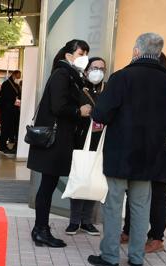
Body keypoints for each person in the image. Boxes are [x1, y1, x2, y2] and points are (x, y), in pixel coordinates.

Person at [88, 33, 166, 266]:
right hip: (151, 155)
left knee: (114, 204)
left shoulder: (122, 77)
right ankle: (137, 258)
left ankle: (109, 257)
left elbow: (100, 114)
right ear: (158, 53)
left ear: (137, 51)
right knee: (141, 206)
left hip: (121, 153)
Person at [121, 52, 166, 254]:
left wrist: (157, 137)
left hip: (162, 146)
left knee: (159, 192)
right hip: (142, 144)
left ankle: (157, 237)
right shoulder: (153, 80)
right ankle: (130, 230)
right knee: (134, 189)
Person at [27, 39, 92, 248]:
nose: (85, 58)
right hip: (54, 141)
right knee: (47, 186)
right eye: (81, 53)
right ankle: (41, 231)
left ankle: (40, 229)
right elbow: (58, 106)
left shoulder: (70, 75)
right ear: (69, 55)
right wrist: (78, 111)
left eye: (86, 53)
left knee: (48, 185)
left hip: (57, 140)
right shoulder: (62, 75)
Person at [66, 57, 108, 237]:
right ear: (87, 70)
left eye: (101, 68)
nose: (98, 71)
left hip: (101, 141)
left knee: (94, 179)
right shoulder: (78, 89)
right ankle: (74, 221)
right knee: (79, 177)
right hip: (81, 139)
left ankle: (87, 221)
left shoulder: (108, 90)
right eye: (94, 67)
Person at [0, 70, 21, 154]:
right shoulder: (6, 84)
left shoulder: (15, 84)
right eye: (18, 76)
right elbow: (6, 97)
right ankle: (2, 146)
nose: (19, 78)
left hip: (13, 110)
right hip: (7, 111)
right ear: (14, 75)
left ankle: (6, 145)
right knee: (5, 128)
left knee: (10, 128)